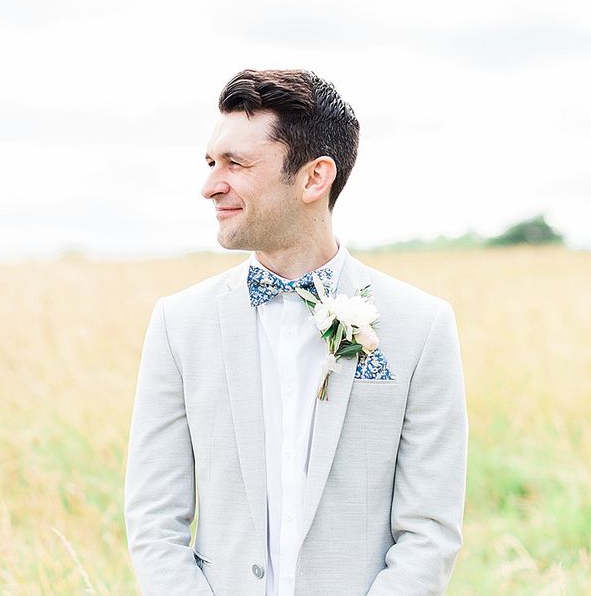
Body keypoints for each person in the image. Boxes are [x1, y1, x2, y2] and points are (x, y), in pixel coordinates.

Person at [124, 69, 468, 595]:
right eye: (212, 162)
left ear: (314, 178)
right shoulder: (178, 324)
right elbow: (154, 520)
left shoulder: (421, 326)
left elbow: (429, 532)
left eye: (236, 164)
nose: (210, 185)